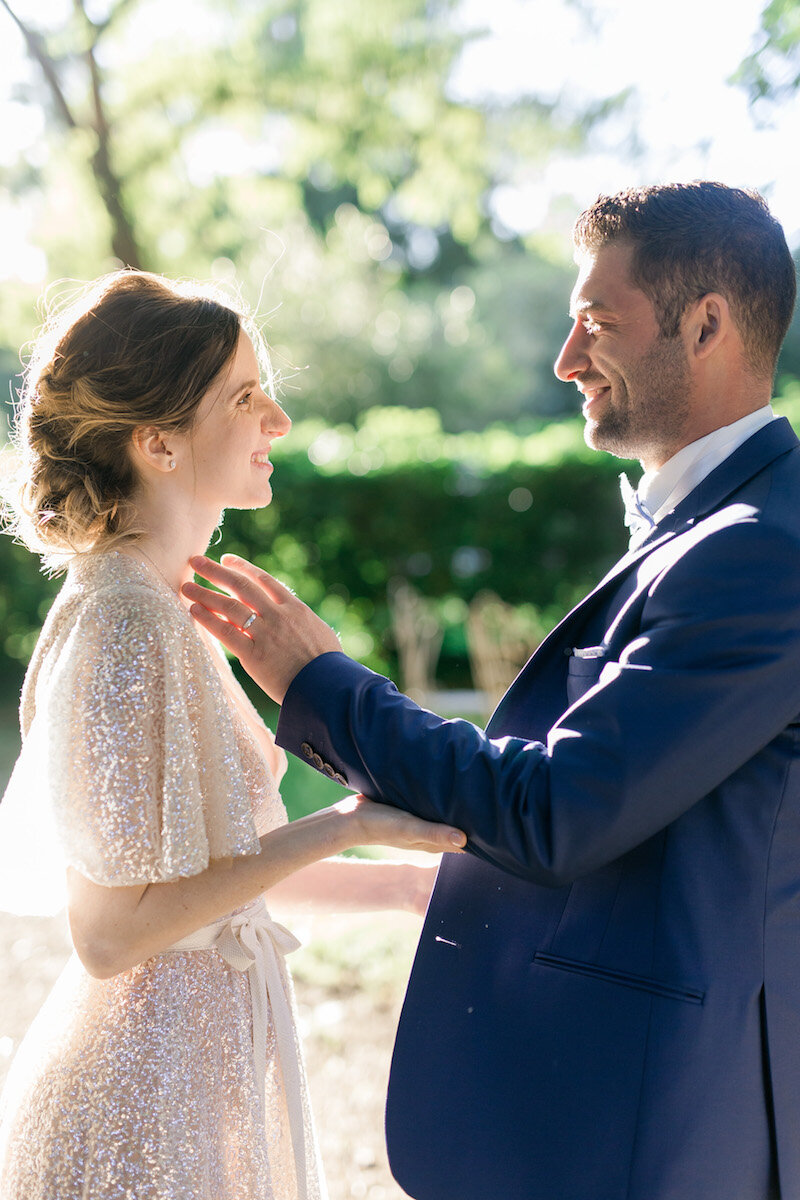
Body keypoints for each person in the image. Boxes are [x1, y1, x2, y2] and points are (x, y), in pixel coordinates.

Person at [183, 181, 800, 1200]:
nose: (565, 360)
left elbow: (555, 810)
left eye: (597, 322)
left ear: (705, 326)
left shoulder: (759, 552)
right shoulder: (724, 531)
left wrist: (320, 684)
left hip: (663, 1129)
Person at [0, 270, 466, 1200]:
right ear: (158, 442)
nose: (279, 421)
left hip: (193, 1095)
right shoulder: (124, 623)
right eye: (246, 397)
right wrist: (346, 824)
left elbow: (214, 884)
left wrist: (414, 889)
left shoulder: (164, 604)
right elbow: (106, 933)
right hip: (136, 1120)